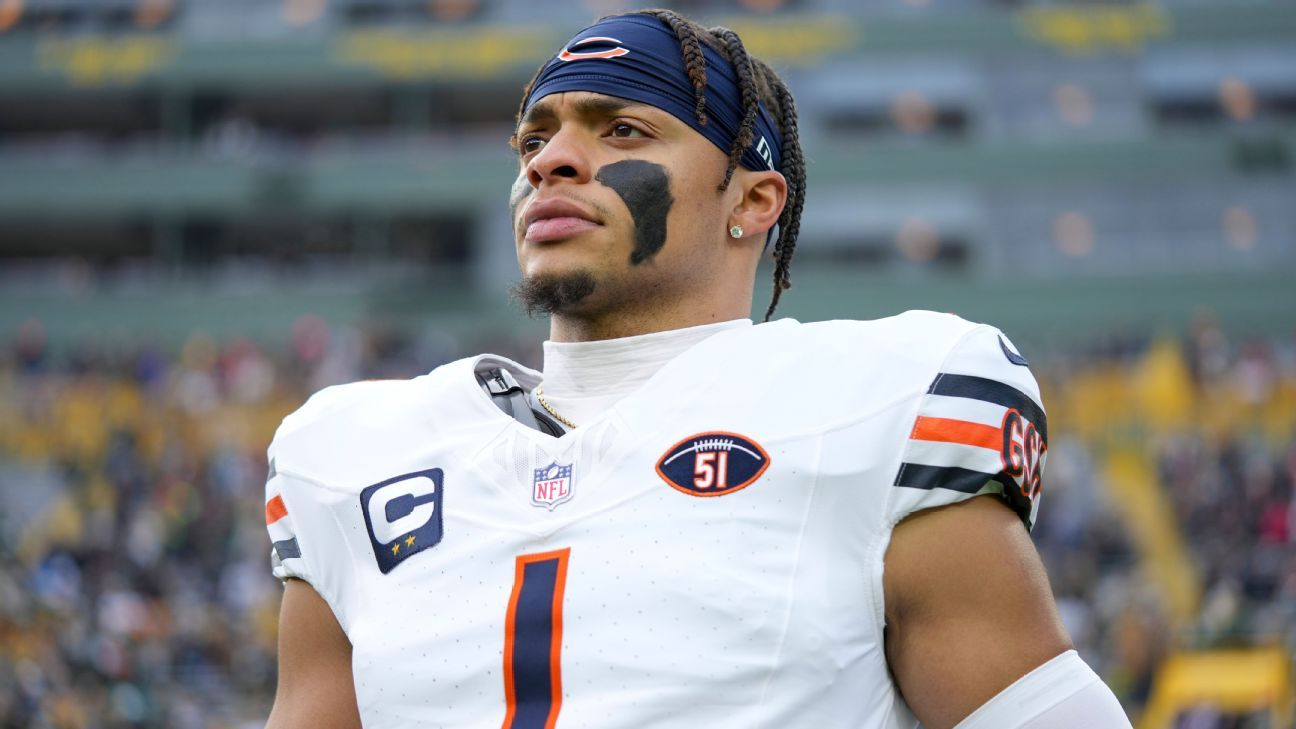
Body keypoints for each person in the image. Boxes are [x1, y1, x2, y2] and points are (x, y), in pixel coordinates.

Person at [263, 9, 1132, 728]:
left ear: (753, 200)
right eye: (535, 137)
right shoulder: (347, 454)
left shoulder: (876, 407)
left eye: (622, 130)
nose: (550, 160)